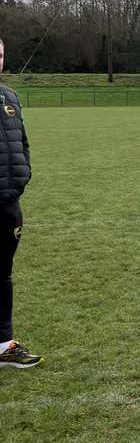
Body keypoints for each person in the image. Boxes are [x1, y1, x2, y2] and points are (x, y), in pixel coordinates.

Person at [0, 38, 42, 370]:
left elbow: (22, 143)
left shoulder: (10, 97)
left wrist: (22, 174)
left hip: (8, 202)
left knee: (3, 274)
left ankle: (4, 345)